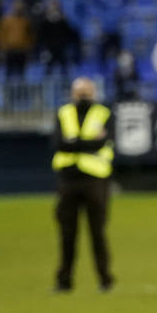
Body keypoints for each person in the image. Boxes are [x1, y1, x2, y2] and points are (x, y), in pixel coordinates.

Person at [51, 77, 116, 294]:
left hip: (95, 180)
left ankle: (105, 280)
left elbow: (102, 142)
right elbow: (59, 143)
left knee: (97, 232)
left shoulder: (104, 113)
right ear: (72, 93)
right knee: (67, 234)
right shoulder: (63, 113)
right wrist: (86, 144)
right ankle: (64, 281)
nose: (83, 96)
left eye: (86, 92)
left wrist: (75, 143)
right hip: (68, 181)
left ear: (94, 93)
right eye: (79, 92)